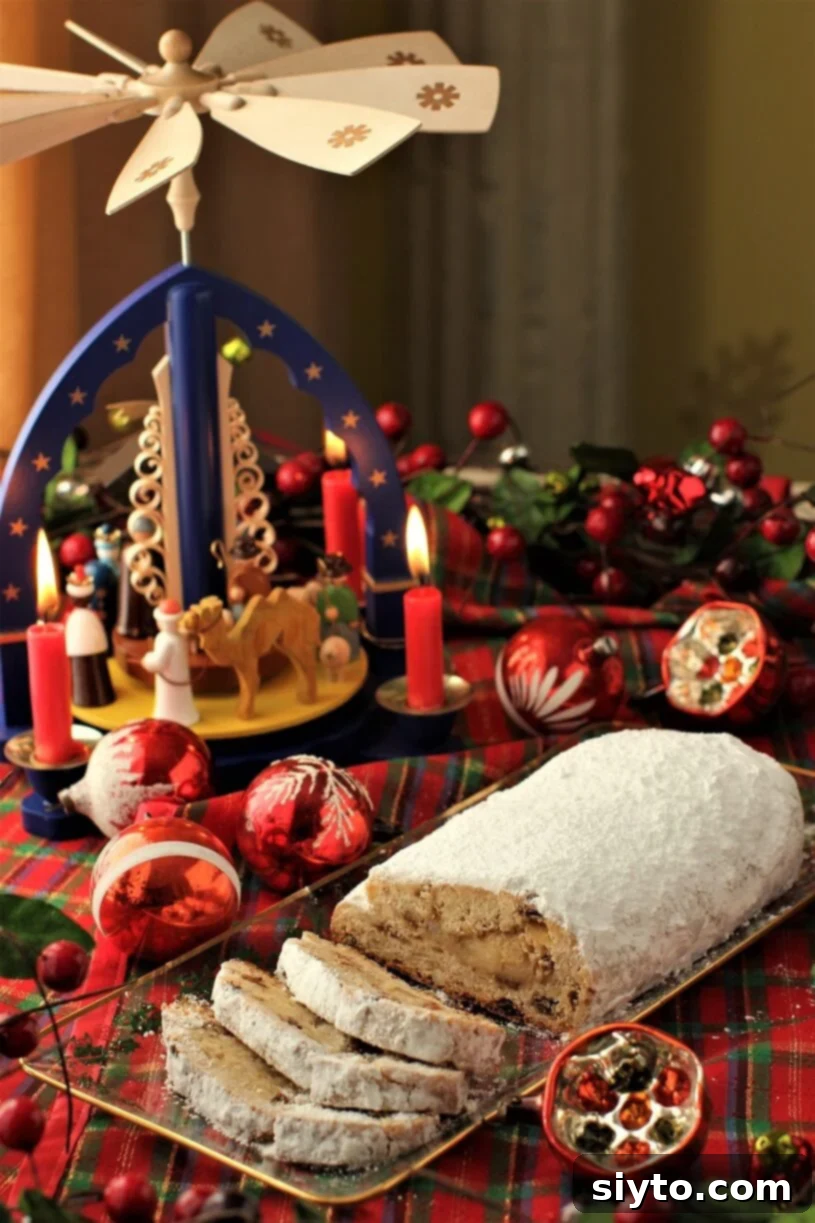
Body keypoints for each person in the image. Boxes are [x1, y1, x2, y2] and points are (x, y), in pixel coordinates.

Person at [142, 599, 199, 726]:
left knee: (169, 700)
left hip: (169, 681)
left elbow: (158, 663)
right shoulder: (180, 637)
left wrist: (147, 659)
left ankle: (171, 716)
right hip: (180, 679)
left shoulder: (164, 640)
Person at [65, 566, 115, 707]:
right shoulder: (85, 617)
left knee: (93, 674)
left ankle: (95, 697)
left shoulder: (81, 617)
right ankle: (85, 698)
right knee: (84, 675)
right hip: (86, 653)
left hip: (91, 653)